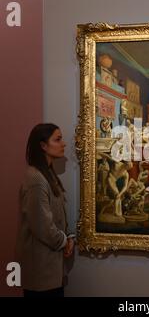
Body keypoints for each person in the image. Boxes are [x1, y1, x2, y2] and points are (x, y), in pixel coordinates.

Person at [16, 123, 74, 297]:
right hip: (40, 270)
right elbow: (42, 226)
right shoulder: (36, 178)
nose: (63, 144)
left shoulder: (47, 174)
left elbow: (56, 215)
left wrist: (68, 237)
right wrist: (64, 241)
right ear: (43, 145)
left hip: (50, 268)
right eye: (57, 139)